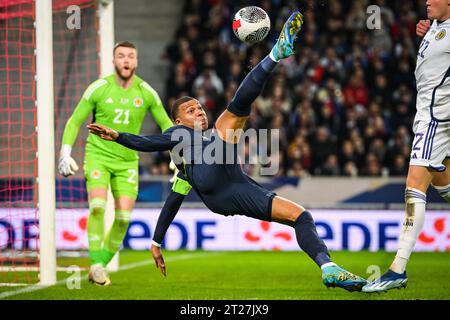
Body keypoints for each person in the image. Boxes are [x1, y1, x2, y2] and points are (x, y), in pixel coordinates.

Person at [88, 12, 368, 292]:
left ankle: (327, 267)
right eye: (190, 110)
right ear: (177, 121)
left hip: (234, 187)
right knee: (232, 117)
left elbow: (173, 200)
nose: (198, 111)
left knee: (301, 216)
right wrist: (118, 136)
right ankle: (274, 55)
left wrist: (156, 242)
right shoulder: (178, 135)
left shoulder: (196, 152)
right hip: (214, 179)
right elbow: (149, 143)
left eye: (199, 107)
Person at [58, 41, 174, 286]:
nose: (126, 60)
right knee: (98, 206)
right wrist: (65, 153)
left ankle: (98, 264)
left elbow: (168, 126)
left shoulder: (146, 92)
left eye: (131, 56)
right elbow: (74, 121)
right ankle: (98, 265)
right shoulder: (99, 88)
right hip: (98, 155)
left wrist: (178, 157)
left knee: (122, 218)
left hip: (127, 161)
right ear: (113, 61)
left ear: (136, 61)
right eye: (121, 56)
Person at [363, 0, 450, 293]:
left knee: (414, 186)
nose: (427, 1)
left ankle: (397, 268)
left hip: (437, 119)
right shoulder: (436, 28)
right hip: (428, 115)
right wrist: (430, 31)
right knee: (442, 180)